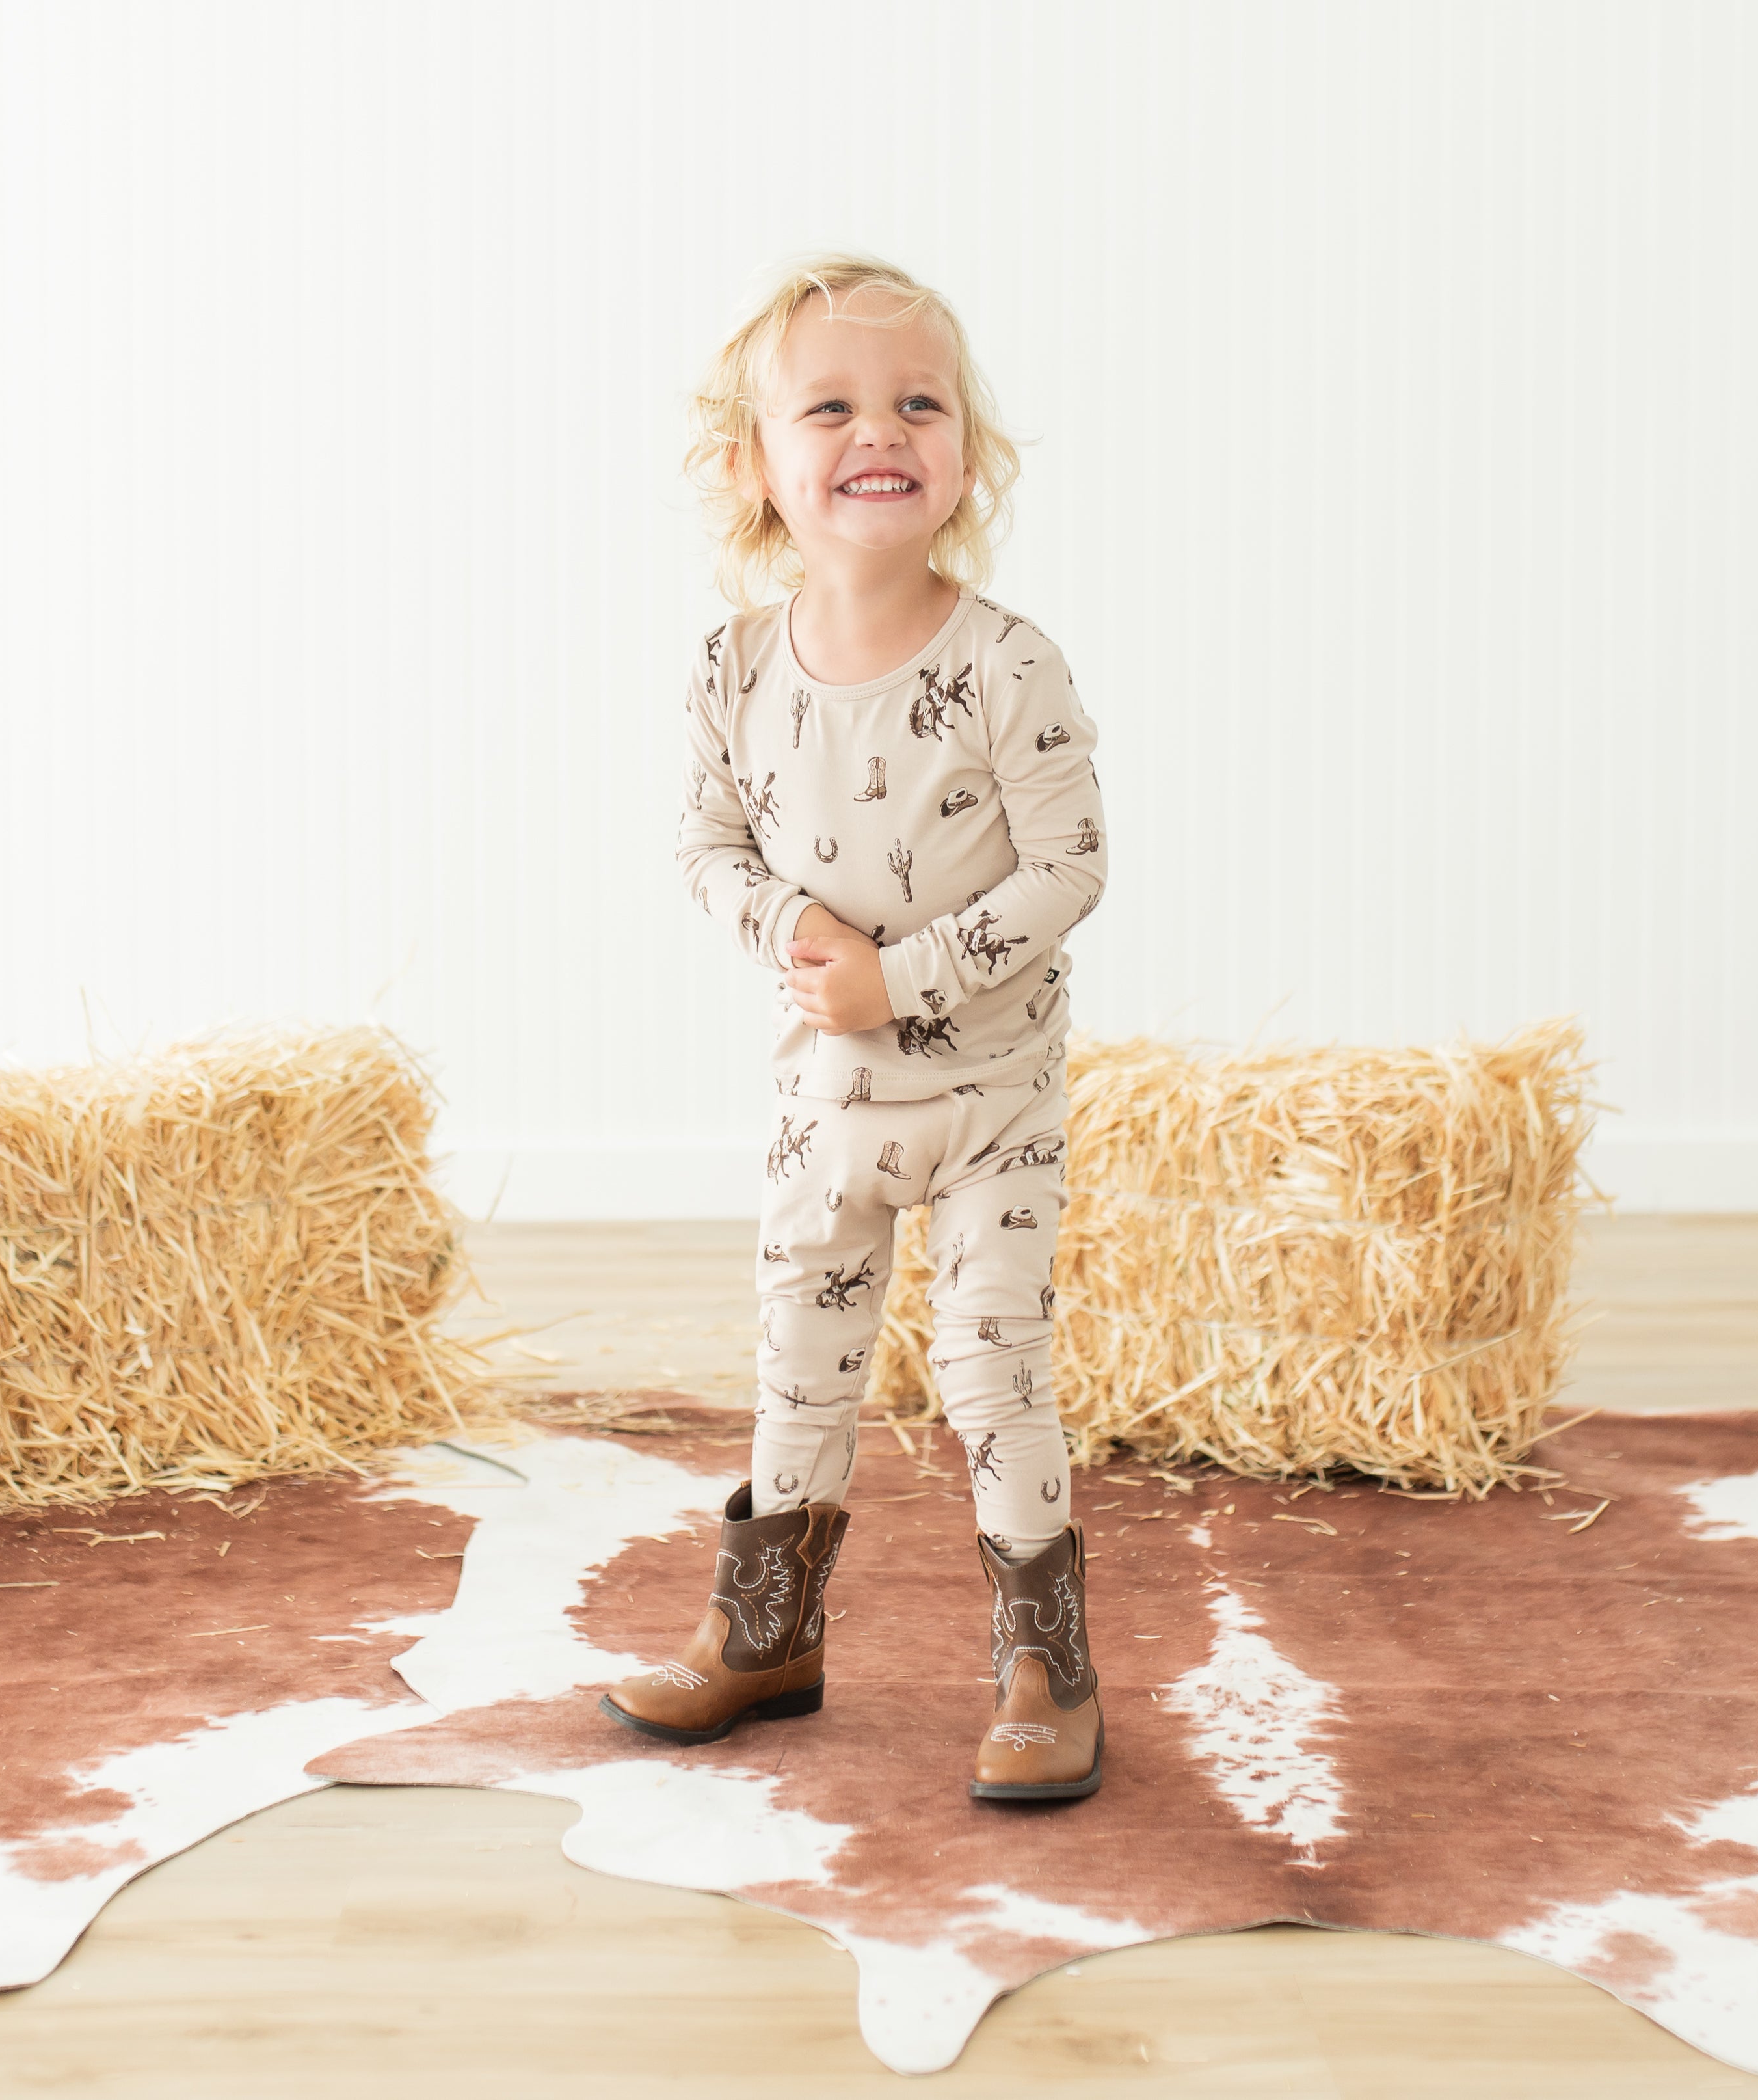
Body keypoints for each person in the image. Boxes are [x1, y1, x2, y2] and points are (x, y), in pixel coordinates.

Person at [600, 254, 1110, 1801]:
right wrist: (797, 936)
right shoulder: (734, 668)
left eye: (917, 402)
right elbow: (706, 847)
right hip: (826, 1104)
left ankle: (1045, 1665)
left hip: (989, 1103)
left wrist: (913, 976)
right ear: (759, 464)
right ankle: (766, 1633)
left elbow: (1071, 866)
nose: (876, 428)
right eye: (828, 405)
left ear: (964, 455)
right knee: (800, 1365)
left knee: (987, 1365)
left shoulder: (1004, 666)